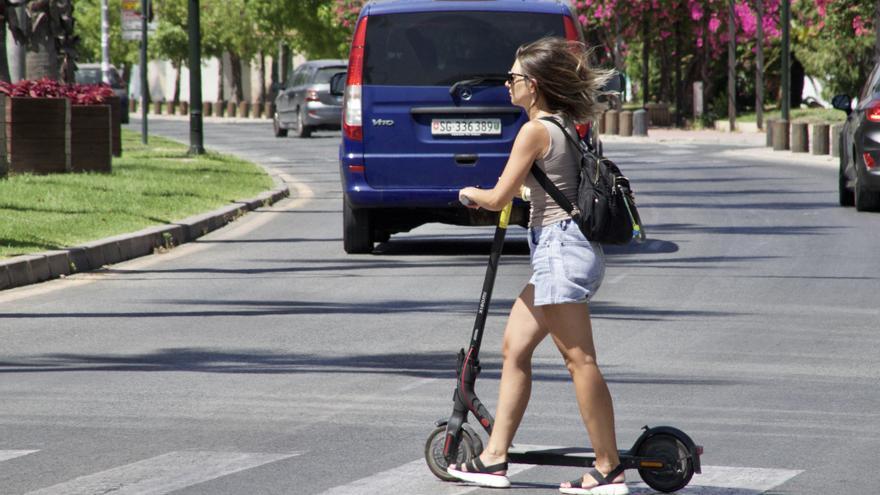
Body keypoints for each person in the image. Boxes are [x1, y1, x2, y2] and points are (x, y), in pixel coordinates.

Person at [446, 37, 627, 495]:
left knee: (578, 360)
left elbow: (497, 196)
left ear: (534, 84)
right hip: (561, 249)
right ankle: (493, 457)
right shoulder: (560, 126)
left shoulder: (534, 131)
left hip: (561, 252)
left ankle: (608, 468)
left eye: (513, 77)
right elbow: (547, 184)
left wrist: (470, 193)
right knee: (514, 348)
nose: (507, 84)